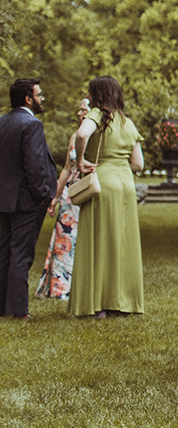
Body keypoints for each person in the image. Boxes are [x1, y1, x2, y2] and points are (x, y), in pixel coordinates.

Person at [70, 76, 145, 319]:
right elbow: (138, 164)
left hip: (102, 181)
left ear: (96, 94)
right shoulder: (127, 122)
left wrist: (81, 160)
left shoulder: (97, 115)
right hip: (125, 184)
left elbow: (82, 134)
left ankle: (97, 304)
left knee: (98, 243)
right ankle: (121, 302)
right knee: (122, 244)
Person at [1, 78, 55, 319]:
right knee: (21, 254)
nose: (42, 99)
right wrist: (44, 195)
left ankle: (3, 307)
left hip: (3, 200)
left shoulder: (2, 123)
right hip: (26, 202)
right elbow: (35, 167)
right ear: (27, 98)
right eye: (39, 94)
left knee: (4, 253)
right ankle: (19, 311)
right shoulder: (31, 125)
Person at [36, 97, 89, 301]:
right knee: (64, 237)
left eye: (83, 109)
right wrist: (55, 196)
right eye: (79, 110)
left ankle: (83, 286)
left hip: (87, 191)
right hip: (70, 193)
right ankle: (60, 288)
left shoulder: (99, 138)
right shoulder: (75, 136)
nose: (79, 113)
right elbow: (67, 167)